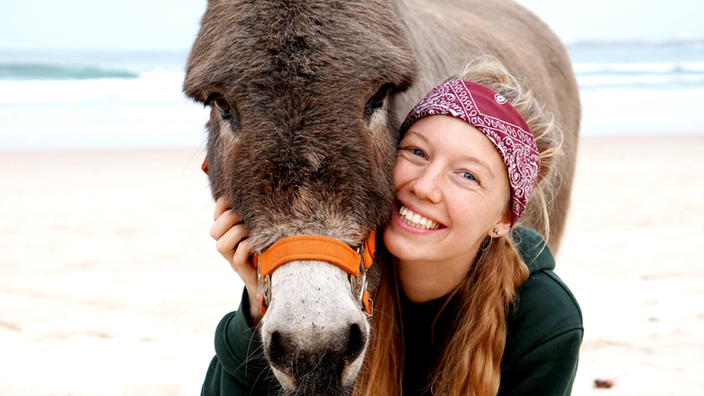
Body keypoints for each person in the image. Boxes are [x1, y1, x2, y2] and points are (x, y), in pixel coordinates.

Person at [203, 58, 583, 396]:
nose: (424, 186)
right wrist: (257, 308)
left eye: (467, 175)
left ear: (503, 220)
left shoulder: (545, 320)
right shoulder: (330, 268)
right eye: (417, 152)